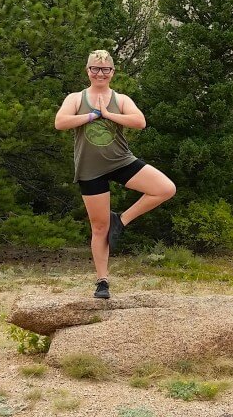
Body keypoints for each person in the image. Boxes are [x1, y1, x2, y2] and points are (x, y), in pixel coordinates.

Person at [54, 50, 176, 299]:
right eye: (95, 69)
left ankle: (121, 220)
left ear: (112, 72)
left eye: (105, 69)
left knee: (165, 188)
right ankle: (102, 282)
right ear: (88, 71)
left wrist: (108, 114)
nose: (100, 73)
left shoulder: (120, 99)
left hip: (120, 161)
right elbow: (60, 122)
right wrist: (91, 115)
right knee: (99, 228)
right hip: (90, 169)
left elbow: (140, 121)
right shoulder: (76, 98)